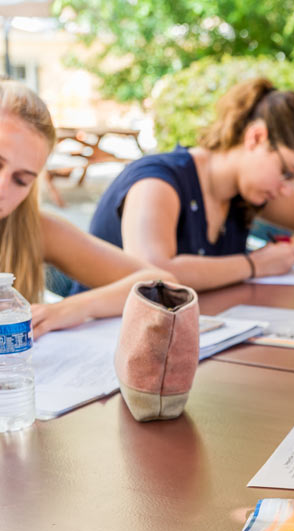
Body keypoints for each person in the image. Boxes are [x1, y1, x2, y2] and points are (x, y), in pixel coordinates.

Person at [86, 78, 294, 292]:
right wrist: (253, 265)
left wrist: (286, 248)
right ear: (256, 137)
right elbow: (151, 274)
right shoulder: (158, 181)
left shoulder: (250, 191)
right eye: (287, 172)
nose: (288, 189)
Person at [0, 80, 171, 339]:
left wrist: (72, 308)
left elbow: (162, 284)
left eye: (21, 180)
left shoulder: (30, 227)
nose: (3, 187)